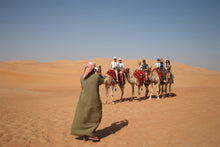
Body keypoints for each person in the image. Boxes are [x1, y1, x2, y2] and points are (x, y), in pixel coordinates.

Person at [71, 61, 104, 142]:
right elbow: (102, 81)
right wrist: (99, 73)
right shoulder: (96, 77)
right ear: (93, 69)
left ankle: (84, 136)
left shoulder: (82, 76)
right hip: (93, 100)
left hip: (83, 100)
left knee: (84, 117)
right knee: (95, 116)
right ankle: (91, 134)